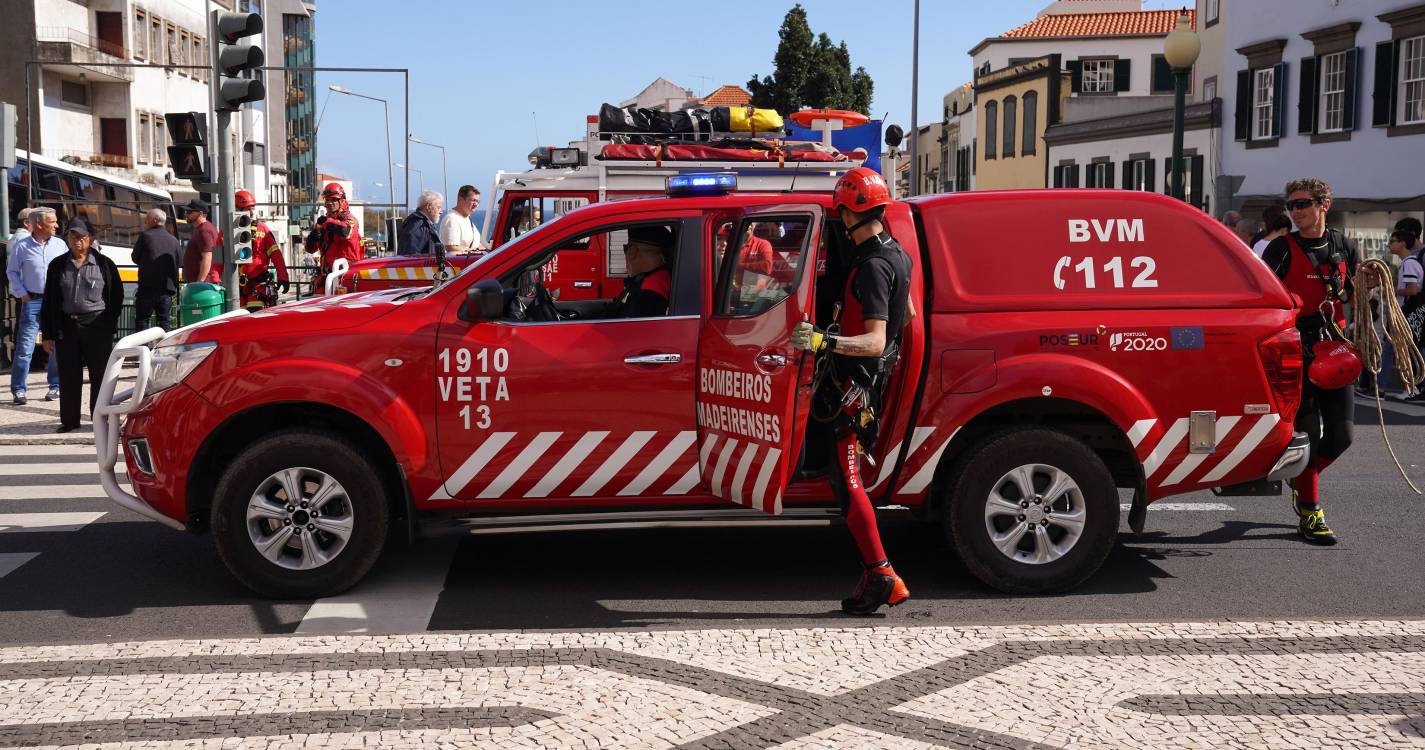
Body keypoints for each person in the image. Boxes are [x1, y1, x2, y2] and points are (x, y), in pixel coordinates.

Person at [790, 166, 913, 614]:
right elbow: (910, 317)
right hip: (865, 384)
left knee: (849, 480)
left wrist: (827, 341)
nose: (839, 219)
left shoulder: (874, 267)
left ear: (849, 214)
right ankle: (877, 571)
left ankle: (882, 574)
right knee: (843, 480)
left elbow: (877, 339)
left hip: (854, 388)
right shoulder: (898, 255)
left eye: (840, 211)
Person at [1261, 178, 1357, 545]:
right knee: (1307, 436)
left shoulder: (1345, 246)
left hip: (1335, 349)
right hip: (1297, 351)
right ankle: (1311, 511)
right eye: (1291, 206)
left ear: (1324, 204)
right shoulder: (1280, 249)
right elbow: (1266, 298)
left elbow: (1352, 296)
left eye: (1303, 204)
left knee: (1343, 436)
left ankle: (1302, 478)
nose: (1296, 211)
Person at [39, 219, 122, 433]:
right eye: (72, 236)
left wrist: (106, 325)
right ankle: (69, 420)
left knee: (100, 375)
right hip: (67, 326)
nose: (76, 241)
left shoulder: (105, 264)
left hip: (96, 326)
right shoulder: (57, 265)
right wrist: (47, 333)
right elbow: (49, 301)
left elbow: (116, 298)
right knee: (68, 375)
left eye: (81, 237)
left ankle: (99, 418)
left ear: (90, 239)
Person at [5, 207, 66, 405]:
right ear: (39, 224)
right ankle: (19, 390)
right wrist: (21, 294)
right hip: (33, 300)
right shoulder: (22, 246)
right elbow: (12, 272)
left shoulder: (60, 245)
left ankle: (55, 386)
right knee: (25, 346)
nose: (57, 225)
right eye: (53, 221)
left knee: (56, 344)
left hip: (55, 302)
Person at [234, 190, 289, 308]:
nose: (251, 213)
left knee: (255, 318)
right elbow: (219, 260)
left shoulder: (262, 229)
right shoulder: (228, 230)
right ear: (236, 210)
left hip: (258, 287)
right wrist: (215, 281)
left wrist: (283, 276)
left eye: (252, 208)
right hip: (236, 288)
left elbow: (276, 255)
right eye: (247, 209)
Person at [1389, 227, 1425, 401]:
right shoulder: (1412, 261)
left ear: (1402, 243)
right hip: (1414, 312)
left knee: (1409, 350)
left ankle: (1413, 388)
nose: (1389, 245)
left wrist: (1390, 291)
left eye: (1392, 241)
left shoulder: (1409, 263)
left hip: (1411, 312)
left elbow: (1412, 290)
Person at [304, 182, 362, 288]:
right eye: (327, 200)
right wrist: (315, 234)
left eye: (334, 200)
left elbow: (346, 232)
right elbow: (310, 249)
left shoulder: (349, 219)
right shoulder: (323, 223)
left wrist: (328, 223)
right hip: (327, 276)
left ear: (342, 201)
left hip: (346, 275)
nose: (330, 203)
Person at [132, 208, 180, 331]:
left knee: (142, 320)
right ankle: (165, 349)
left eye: (146, 220)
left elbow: (135, 257)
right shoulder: (174, 240)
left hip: (147, 287)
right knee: (164, 321)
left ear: (154, 221)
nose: (145, 223)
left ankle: (143, 348)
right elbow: (178, 261)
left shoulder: (145, 236)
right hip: (166, 289)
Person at [615, 225, 673, 317]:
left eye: (626, 248)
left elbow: (632, 329)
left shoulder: (648, 290)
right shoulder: (660, 278)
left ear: (633, 252)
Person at [181, 198, 222, 284]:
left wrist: (200, 282)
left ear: (200, 213)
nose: (186, 214)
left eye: (189, 212)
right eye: (186, 211)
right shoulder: (205, 228)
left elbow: (207, 256)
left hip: (203, 286)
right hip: (205, 283)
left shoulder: (204, 230)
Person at [439, 185, 484, 253]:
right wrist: (475, 250)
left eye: (478, 201)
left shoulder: (467, 218)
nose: (476, 204)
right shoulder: (452, 219)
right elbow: (451, 247)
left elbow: (476, 244)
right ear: (461, 199)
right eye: (473, 200)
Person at [397, 191, 443, 256]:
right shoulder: (418, 226)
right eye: (438, 207)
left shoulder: (422, 224)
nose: (440, 212)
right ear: (429, 207)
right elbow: (411, 256)